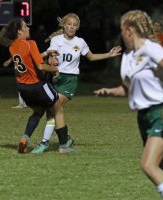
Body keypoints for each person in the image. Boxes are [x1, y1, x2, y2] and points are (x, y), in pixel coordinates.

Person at [94, 10, 163, 200]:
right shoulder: (128, 57)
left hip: (162, 113)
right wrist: (110, 91)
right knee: (162, 169)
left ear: (129, 30)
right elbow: (127, 89)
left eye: (121, 29)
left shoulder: (150, 48)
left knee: (148, 165)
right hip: (144, 117)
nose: (121, 33)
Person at [31, 13, 122, 154]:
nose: (71, 27)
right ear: (64, 25)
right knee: (51, 112)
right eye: (69, 24)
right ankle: (64, 139)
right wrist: (52, 59)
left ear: (77, 27)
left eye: (74, 25)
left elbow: (91, 57)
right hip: (56, 78)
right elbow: (52, 54)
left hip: (70, 81)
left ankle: (45, 143)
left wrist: (108, 54)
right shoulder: (56, 40)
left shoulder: (80, 42)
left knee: (55, 107)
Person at [0, 18, 74, 154]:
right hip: (37, 86)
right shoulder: (30, 43)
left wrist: (45, 53)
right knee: (58, 109)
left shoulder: (12, 47)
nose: (28, 28)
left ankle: (24, 139)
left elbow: (28, 58)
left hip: (23, 88)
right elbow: (40, 66)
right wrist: (55, 69)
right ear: (19, 31)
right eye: (25, 26)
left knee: (38, 112)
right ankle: (64, 146)